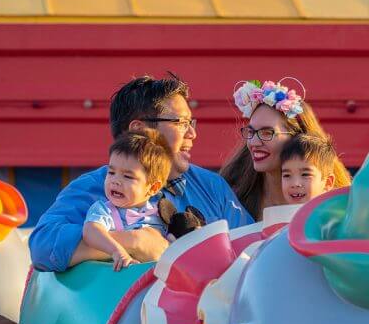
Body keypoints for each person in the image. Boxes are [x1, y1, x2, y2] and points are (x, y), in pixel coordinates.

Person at [29, 74, 252, 271]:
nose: (192, 133)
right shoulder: (94, 187)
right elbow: (43, 246)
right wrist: (136, 241)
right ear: (139, 130)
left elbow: (252, 250)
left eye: (190, 122)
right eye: (181, 123)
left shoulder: (211, 186)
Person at [220, 78, 350, 219]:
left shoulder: (337, 207)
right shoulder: (230, 196)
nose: (254, 142)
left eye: (267, 133)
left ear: (297, 138)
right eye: (251, 132)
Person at [83, 132, 171, 271]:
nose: (115, 181)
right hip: (118, 281)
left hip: (154, 284)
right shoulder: (105, 210)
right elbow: (91, 231)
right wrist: (116, 250)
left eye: (127, 177)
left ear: (153, 187)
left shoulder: (158, 214)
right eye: (111, 173)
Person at [280, 134, 337, 205]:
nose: (295, 184)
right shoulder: (276, 214)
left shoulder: (336, 215)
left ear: (328, 182)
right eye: (287, 175)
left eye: (305, 174)